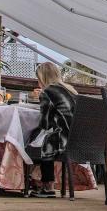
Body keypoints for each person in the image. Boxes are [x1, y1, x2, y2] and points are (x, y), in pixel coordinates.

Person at [27, 62, 77, 197]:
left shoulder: (48, 91)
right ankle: (41, 180)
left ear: (42, 78)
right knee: (42, 138)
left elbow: (45, 124)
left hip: (63, 138)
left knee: (35, 139)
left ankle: (47, 186)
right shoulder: (71, 90)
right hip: (78, 138)